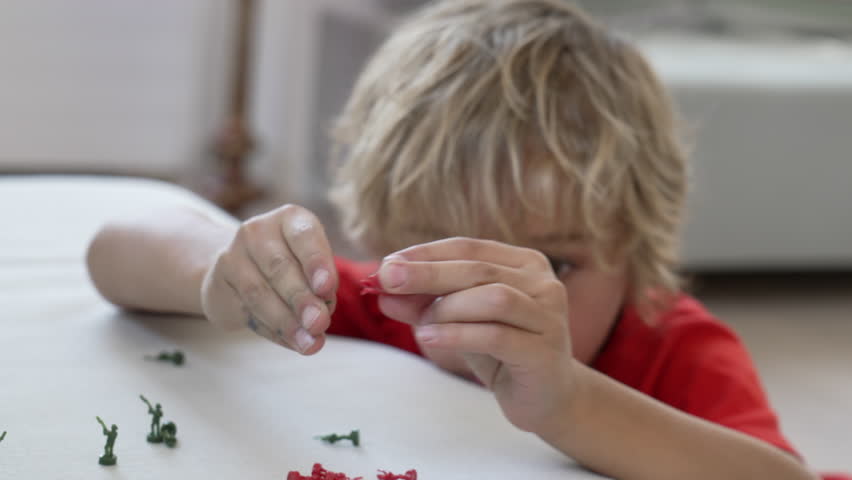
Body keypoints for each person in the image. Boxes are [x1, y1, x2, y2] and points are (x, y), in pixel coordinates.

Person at [86, 1, 843, 478]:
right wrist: (220, 275)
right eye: (444, 254)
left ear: (637, 250)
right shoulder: (379, 303)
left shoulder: (675, 348)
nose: (492, 298)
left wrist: (569, 403)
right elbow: (116, 249)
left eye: (555, 262)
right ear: (384, 240)